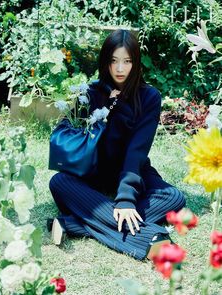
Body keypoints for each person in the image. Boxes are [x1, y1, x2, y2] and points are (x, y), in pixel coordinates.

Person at [48, 29, 186, 261]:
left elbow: (137, 150)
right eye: (114, 61)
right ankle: (145, 236)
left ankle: (76, 223)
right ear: (105, 62)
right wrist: (105, 106)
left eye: (127, 61)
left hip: (133, 169)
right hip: (93, 170)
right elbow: (70, 134)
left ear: (136, 63)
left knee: (174, 198)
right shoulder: (90, 93)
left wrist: (125, 199)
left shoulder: (149, 97)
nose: (120, 69)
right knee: (59, 181)